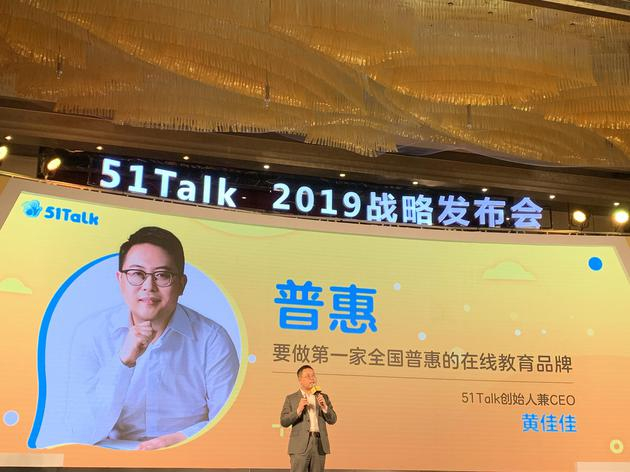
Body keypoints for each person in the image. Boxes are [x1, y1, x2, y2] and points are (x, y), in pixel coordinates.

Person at [66, 226, 239, 450]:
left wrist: (176, 440)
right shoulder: (91, 334)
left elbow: (227, 423)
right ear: (120, 280)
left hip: (188, 454)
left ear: (182, 284)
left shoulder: (212, 339)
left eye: (162, 275)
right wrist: (123, 361)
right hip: (112, 458)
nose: (148, 286)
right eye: (137, 274)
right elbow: (82, 432)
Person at [280, 365, 337, 472]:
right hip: (299, 445)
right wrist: (298, 410)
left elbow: (333, 419)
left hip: (319, 444)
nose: (312, 378)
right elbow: (284, 421)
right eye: (308, 376)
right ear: (300, 380)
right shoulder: (291, 398)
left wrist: (325, 407)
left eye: (313, 375)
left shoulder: (323, 397)